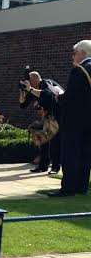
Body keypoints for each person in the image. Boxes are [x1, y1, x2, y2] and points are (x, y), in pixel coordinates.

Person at [47, 40, 91, 197]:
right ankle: (81, 187)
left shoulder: (79, 70)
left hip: (74, 121)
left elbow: (72, 97)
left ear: (83, 54)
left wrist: (60, 97)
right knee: (85, 155)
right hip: (89, 120)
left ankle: (68, 188)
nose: (73, 56)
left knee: (70, 154)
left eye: (75, 52)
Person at [20, 71, 62, 174]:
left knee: (54, 142)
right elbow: (22, 105)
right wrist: (22, 91)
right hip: (48, 117)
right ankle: (43, 166)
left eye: (29, 81)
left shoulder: (46, 83)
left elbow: (47, 94)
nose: (28, 83)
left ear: (35, 79)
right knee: (43, 141)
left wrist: (30, 89)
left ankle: (55, 168)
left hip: (59, 114)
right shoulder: (32, 89)